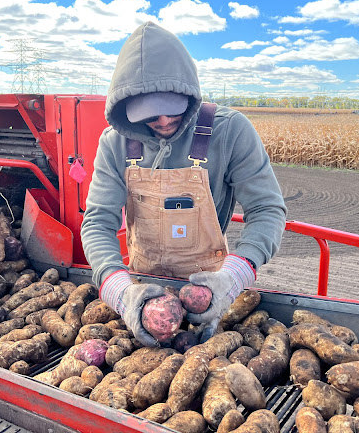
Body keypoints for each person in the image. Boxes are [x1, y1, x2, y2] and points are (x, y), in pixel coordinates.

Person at [80, 21, 286, 347]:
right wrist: (120, 293)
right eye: (150, 113)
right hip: (144, 293)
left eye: (170, 108)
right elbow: (97, 222)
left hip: (211, 288)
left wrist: (233, 279)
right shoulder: (115, 143)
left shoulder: (230, 131)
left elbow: (267, 211)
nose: (162, 121)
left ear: (188, 92)